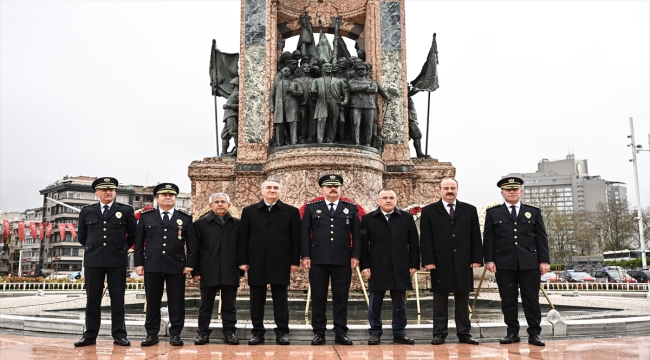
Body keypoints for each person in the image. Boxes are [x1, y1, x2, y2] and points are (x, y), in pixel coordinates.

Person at [483, 177, 550, 347]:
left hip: (530, 263)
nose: (512, 192)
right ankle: (512, 332)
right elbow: (489, 239)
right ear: (502, 193)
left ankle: (534, 333)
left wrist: (544, 261)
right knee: (508, 299)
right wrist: (489, 259)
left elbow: (541, 238)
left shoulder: (533, 212)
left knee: (531, 300)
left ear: (521, 192)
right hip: (504, 263)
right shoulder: (494, 213)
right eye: (508, 190)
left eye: (515, 189)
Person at [74, 177, 137, 347]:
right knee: (92, 299)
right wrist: (93, 247)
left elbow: (133, 234)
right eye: (104, 190)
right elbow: (82, 236)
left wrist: (122, 247)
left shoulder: (125, 210)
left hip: (117, 258)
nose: (108, 192)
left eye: (111, 190)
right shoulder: (87, 211)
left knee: (118, 298)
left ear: (115, 192)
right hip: (93, 259)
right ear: (97, 193)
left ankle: (119, 334)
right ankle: (89, 335)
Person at [420, 177, 482, 345]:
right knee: (440, 301)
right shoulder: (429, 211)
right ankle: (439, 333)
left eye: (452, 188)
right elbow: (426, 238)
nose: (449, 191)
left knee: (462, 300)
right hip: (440, 262)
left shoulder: (469, 210)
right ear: (439, 190)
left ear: (457, 190)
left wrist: (476, 258)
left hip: (464, 262)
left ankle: (464, 333)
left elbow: (475, 236)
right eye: (446, 188)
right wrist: (428, 260)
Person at [238, 179, 301, 345]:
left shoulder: (291, 212)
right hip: (256, 261)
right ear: (262, 191)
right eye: (269, 188)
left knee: (280, 299)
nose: (272, 190)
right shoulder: (249, 211)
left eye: (275, 188)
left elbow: (296, 238)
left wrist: (294, 261)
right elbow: (243, 238)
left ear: (280, 191)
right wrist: (243, 260)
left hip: (281, 261)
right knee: (256, 299)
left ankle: (282, 332)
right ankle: (257, 332)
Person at [300, 174, 361, 345]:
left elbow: (356, 234)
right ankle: (319, 332)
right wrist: (305, 256)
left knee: (341, 297)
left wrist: (355, 255)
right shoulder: (312, 208)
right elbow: (304, 234)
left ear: (341, 188)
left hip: (343, 260)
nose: (333, 189)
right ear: (323, 189)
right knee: (318, 297)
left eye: (336, 186)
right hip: (318, 260)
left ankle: (340, 332)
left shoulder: (350, 208)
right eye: (329, 186)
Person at [134, 183, 197, 347]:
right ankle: (151, 334)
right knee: (152, 300)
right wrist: (139, 263)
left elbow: (192, 244)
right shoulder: (146, 217)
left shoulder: (184, 218)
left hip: (176, 265)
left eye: (171, 195)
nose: (168, 197)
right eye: (164, 195)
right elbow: (139, 242)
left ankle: (175, 334)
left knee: (176, 302)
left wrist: (190, 264)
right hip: (152, 264)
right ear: (157, 198)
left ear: (175, 198)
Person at [360, 188, 420, 345]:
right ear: (378, 201)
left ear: (396, 200)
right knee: (375, 302)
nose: (388, 200)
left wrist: (414, 264)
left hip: (400, 265)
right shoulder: (368, 219)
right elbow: (363, 246)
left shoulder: (406, 218)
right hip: (377, 266)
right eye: (384, 197)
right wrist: (364, 265)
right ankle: (375, 332)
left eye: (391, 197)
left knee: (399, 302)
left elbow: (414, 243)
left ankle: (399, 332)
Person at [192, 192, 241, 345]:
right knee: (205, 305)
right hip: (208, 270)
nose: (220, 204)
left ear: (229, 205)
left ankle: (230, 333)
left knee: (229, 306)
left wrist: (240, 269)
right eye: (217, 202)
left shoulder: (238, 224)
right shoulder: (200, 224)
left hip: (230, 269)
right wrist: (196, 270)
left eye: (223, 202)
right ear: (210, 205)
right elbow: (195, 249)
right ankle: (203, 334)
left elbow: (243, 248)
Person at [309, 63, 349, 143]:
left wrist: (344, 102)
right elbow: (311, 91)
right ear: (322, 69)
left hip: (334, 102)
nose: (329, 68)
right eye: (326, 66)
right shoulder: (316, 80)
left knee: (333, 121)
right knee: (321, 120)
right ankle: (320, 139)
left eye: (330, 66)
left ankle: (330, 139)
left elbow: (345, 93)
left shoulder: (338, 81)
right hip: (322, 101)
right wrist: (313, 92)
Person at [270, 67, 302, 146]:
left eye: (289, 71)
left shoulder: (295, 83)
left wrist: (293, 91)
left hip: (292, 105)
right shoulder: (277, 84)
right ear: (281, 72)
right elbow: (271, 97)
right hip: (280, 106)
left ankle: (294, 141)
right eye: (285, 71)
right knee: (279, 124)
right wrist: (272, 106)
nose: (287, 72)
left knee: (293, 122)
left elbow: (301, 93)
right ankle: (280, 143)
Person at [221, 77, 239, 156]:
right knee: (224, 135)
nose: (231, 86)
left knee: (234, 132)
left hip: (232, 115)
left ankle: (238, 151)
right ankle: (224, 153)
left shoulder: (237, 93)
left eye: (232, 85)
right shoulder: (232, 95)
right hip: (227, 116)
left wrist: (229, 106)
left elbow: (241, 105)